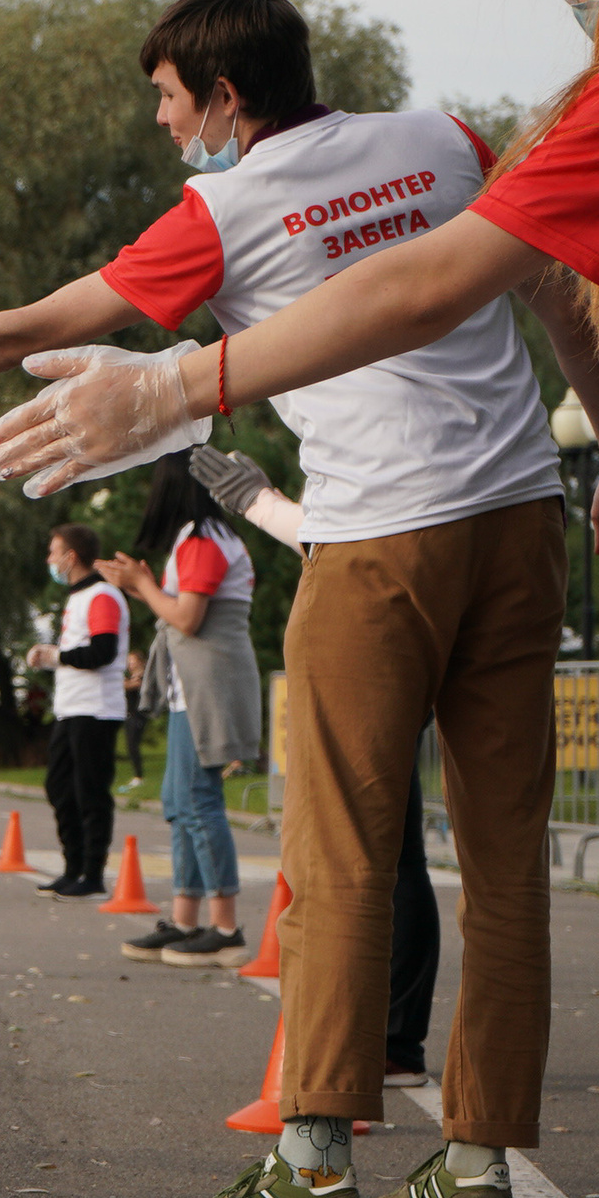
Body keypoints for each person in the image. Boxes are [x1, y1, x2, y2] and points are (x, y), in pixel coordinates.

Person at [0, 0, 599, 1198]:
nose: (160, 125)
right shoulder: (445, 141)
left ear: (222, 95)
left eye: (165, 99)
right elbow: (553, 294)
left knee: (339, 858)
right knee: (502, 859)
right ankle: (476, 1163)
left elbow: (19, 331)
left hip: (378, 541)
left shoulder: (222, 210)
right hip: (518, 525)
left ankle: (312, 1167)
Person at [197, 445, 443, 1089]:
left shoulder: (390, 441)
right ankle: (425, 1056)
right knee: (421, 855)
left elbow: (358, 548)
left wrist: (262, 503)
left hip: (391, 624)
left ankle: (376, 1047)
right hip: (444, 590)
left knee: (369, 850)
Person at [100, 452, 264, 968]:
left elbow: (187, 619)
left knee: (197, 800)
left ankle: (225, 927)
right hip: (189, 689)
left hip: (206, 688)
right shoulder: (201, 538)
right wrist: (147, 582)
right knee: (179, 801)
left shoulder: (202, 540)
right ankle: (186, 920)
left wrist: (141, 587)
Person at [25, 526, 126, 897]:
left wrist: (59, 656)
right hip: (71, 708)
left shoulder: (101, 595)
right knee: (59, 786)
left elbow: (103, 652)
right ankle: (73, 867)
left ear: (71, 557)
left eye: (54, 552)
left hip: (95, 709)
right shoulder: (78, 598)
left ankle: (92, 873)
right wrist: (52, 656)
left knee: (90, 792)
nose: (49, 560)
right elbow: (80, 651)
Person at [120, 648, 150, 790]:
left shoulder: (143, 677)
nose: (130, 664)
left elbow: (131, 685)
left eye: (133, 661)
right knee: (130, 746)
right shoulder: (131, 677)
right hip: (129, 715)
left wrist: (120, 683)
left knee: (133, 745)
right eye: (128, 662)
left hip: (138, 716)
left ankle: (139, 776)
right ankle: (137, 775)